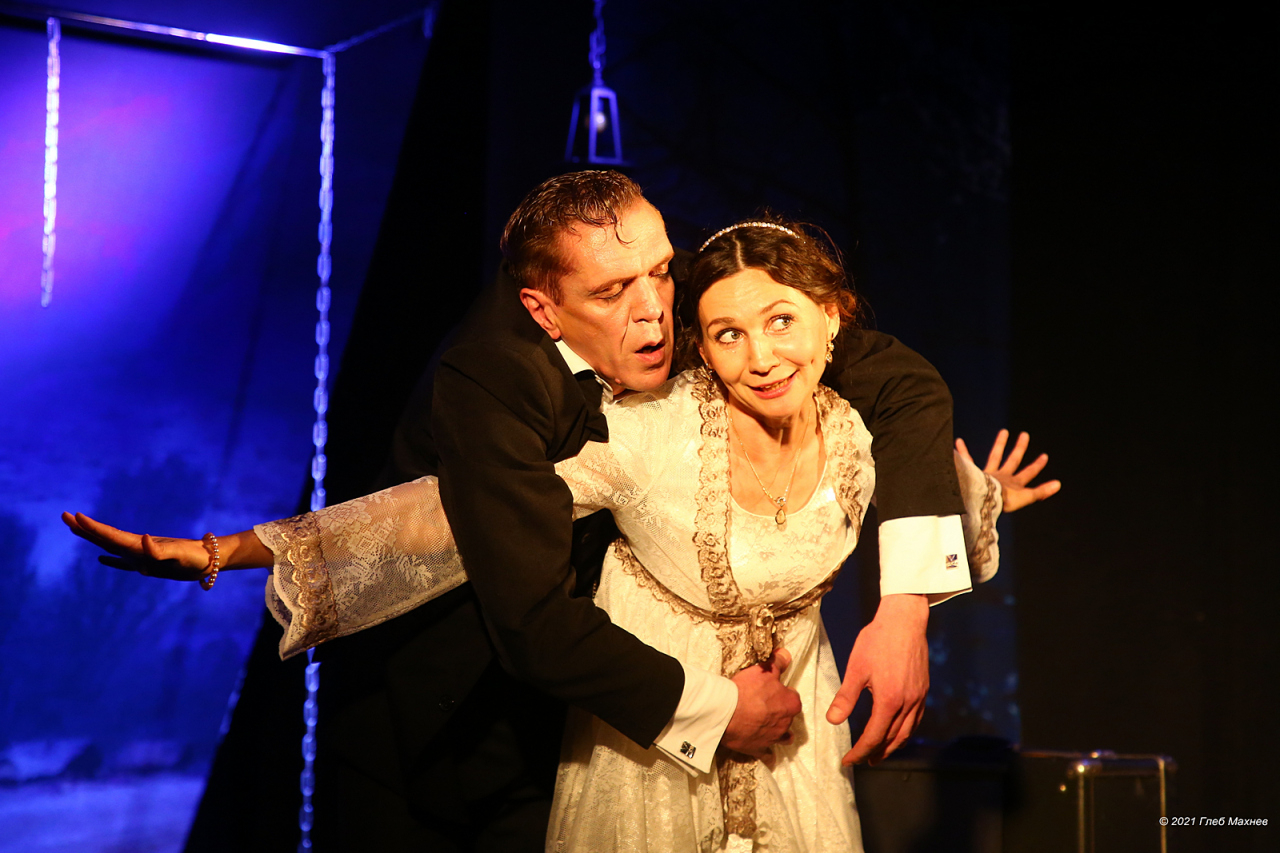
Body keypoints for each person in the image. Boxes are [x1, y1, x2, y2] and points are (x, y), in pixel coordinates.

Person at [65, 173, 1058, 851]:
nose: (756, 353)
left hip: (794, 743)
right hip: (585, 736)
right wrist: (226, 549)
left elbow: (903, 433)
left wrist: (962, 513)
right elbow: (441, 527)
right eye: (726, 332)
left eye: (664, 277)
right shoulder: (598, 415)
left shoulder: (840, 413)